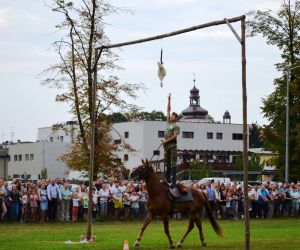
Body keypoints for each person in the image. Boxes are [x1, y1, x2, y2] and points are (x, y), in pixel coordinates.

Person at [163, 93, 180, 187]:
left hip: (172, 146)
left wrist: (166, 141)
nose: (171, 116)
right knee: (167, 162)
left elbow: (175, 136)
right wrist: (169, 100)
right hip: (166, 147)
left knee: (173, 163)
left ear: (176, 118)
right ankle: (167, 179)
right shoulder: (168, 123)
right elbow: (168, 110)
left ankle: (173, 180)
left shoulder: (176, 126)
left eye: (173, 116)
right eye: (171, 116)